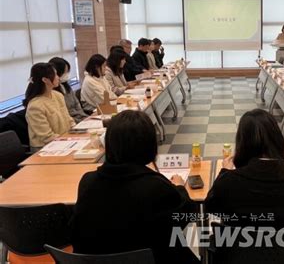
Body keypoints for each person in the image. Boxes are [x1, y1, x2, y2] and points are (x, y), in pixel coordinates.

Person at [71, 110, 198, 263]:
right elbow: (188, 213)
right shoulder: (156, 187)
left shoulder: (87, 182)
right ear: (150, 145)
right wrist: (179, 187)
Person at [205, 109, 284, 233]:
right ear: (277, 139)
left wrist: (225, 172)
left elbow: (211, 207)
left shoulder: (228, 181)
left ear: (242, 143)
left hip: (238, 250)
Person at [24, 63, 75, 148]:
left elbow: (68, 119)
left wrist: (77, 130)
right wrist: (69, 140)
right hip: (45, 148)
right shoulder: (35, 106)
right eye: (55, 75)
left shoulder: (58, 95)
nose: (58, 77)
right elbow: (47, 137)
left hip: (65, 141)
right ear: (45, 80)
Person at [49, 57, 88, 123]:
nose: (67, 74)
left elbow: (77, 103)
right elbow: (64, 115)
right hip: (71, 121)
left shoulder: (66, 86)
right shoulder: (53, 92)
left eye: (67, 71)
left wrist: (83, 117)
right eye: (65, 72)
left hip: (80, 118)